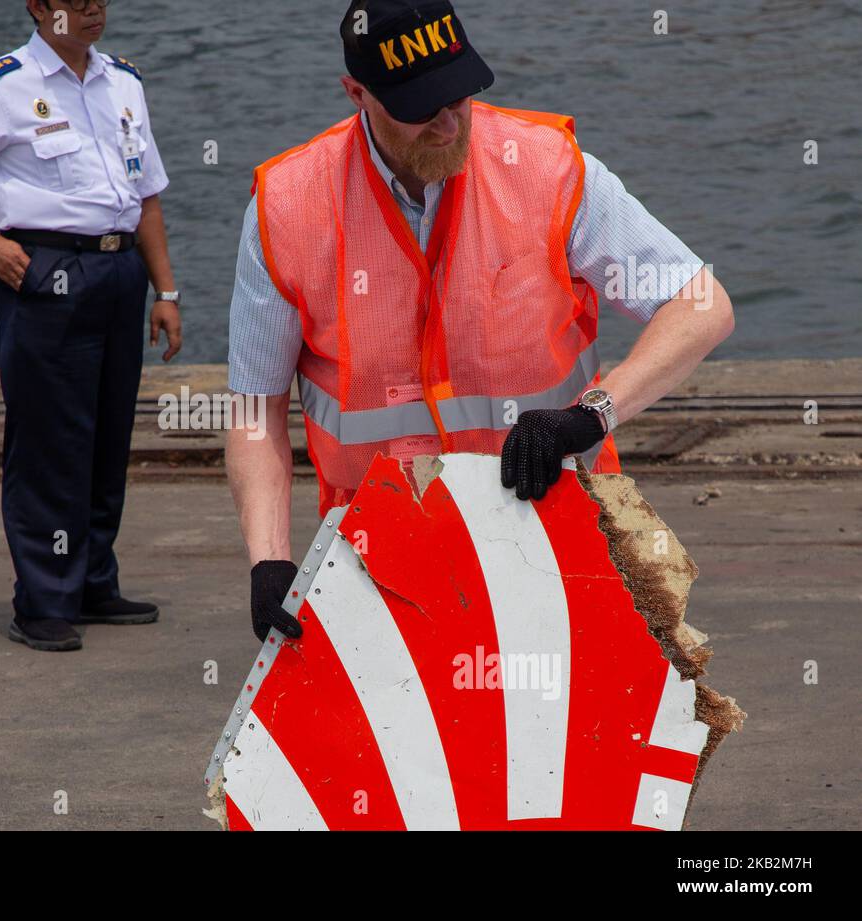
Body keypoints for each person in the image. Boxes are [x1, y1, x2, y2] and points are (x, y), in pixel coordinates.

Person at [225, 0, 735, 642]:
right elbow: (255, 408)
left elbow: (700, 304)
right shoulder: (287, 205)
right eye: (419, 108)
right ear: (356, 93)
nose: (447, 124)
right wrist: (268, 558)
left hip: (560, 531)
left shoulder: (549, 169)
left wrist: (590, 414)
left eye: (459, 95)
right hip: (383, 560)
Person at [0, 0, 183, 652]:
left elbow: (147, 195)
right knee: (49, 438)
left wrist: (165, 289)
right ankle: (42, 599)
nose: (93, 12)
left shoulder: (125, 83)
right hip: (46, 269)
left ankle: (91, 581)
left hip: (120, 271)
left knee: (107, 435)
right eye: (77, 1)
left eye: (100, 1)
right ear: (39, 6)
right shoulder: (3, 85)